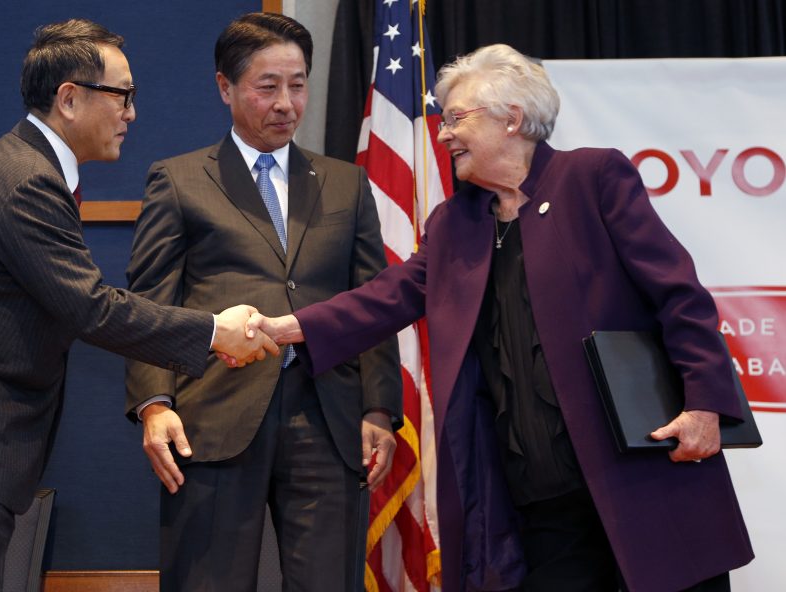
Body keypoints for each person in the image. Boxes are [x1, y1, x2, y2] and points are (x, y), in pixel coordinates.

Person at [249, 44, 754, 592]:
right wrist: (287, 328)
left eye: (456, 119)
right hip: (538, 502)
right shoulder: (455, 223)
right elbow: (385, 297)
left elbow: (679, 295)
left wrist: (705, 404)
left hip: (639, 475)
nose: (444, 135)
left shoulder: (591, 177)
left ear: (512, 118)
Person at [0, 19, 276, 592]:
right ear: (70, 99)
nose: (132, 113)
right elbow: (91, 308)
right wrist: (213, 330)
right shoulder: (25, 179)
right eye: (123, 95)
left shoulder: (26, 165)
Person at [125, 12, 402, 591]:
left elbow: (372, 302)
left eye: (297, 85)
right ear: (225, 87)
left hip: (328, 417)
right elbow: (150, 302)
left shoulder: (346, 184)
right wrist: (154, 404)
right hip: (212, 417)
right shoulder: (178, 180)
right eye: (267, 86)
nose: (285, 104)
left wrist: (379, 408)